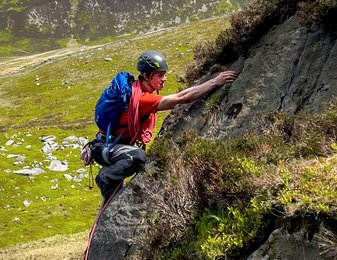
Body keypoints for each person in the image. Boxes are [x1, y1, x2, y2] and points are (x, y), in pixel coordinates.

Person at [93, 50, 238, 201]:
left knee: (111, 198)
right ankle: (106, 176)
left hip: (110, 146)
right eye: (160, 75)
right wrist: (214, 82)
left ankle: (107, 191)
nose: (164, 79)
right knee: (138, 157)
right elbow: (182, 97)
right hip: (110, 148)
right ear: (146, 76)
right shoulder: (141, 99)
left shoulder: (135, 91)